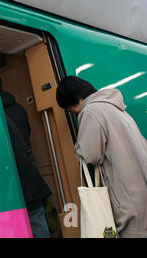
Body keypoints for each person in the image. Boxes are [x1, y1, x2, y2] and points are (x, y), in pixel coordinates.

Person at [56, 76, 147, 238]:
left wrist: (78, 146)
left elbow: (89, 155)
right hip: (140, 188)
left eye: (69, 108)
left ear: (74, 99)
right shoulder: (116, 108)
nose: (72, 112)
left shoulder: (91, 111)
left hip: (128, 196)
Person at [0, 73, 52, 238]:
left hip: (8, 181)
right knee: (37, 220)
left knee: (15, 226)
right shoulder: (18, 108)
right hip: (29, 175)